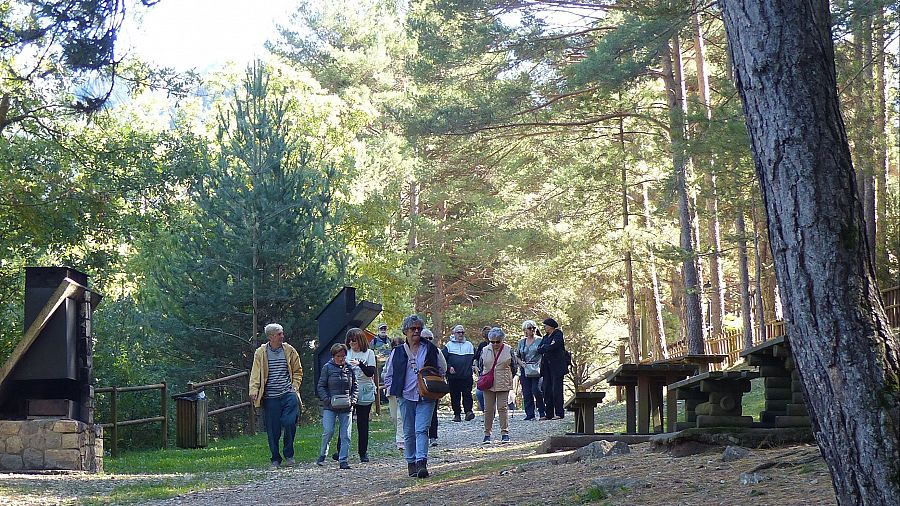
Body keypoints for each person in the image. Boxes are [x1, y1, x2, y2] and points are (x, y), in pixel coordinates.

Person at [383, 314, 446, 478]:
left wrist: (435, 383)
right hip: (405, 396)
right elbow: (388, 374)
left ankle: (421, 463)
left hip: (427, 395)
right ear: (405, 331)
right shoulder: (397, 352)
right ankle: (411, 463)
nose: (416, 331)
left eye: (419, 328)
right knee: (409, 431)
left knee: (422, 429)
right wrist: (392, 391)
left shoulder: (431, 349)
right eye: (413, 329)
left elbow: (442, 369)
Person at [249, 323, 302, 468]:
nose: (282, 336)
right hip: (270, 397)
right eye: (279, 334)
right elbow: (255, 373)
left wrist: (294, 387)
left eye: (282, 333)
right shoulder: (261, 353)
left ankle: (289, 454)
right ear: (271, 337)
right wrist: (254, 389)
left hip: (288, 394)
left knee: (290, 422)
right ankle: (275, 458)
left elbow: (298, 371)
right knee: (273, 430)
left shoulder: (289, 350)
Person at [316, 343, 358, 470]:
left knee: (346, 434)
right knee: (328, 431)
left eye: (343, 356)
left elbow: (355, 386)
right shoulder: (327, 368)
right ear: (334, 356)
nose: (341, 358)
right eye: (339, 356)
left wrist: (353, 400)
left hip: (346, 406)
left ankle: (343, 460)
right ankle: (323, 454)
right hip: (330, 406)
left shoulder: (350, 369)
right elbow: (321, 386)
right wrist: (327, 400)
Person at [478, 327, 521, 444]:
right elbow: (481, 366)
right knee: (488, 409)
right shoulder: (484, 350)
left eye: (498, 341)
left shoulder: (509, 350)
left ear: (502, 340)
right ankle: (487, 434)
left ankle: (505, 433)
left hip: (503, 382)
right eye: (492, 341)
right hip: (488, 383)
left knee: (503, 408)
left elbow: (514, 366)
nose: (495, 344)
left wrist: (509, 378)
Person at [346, 328, 377, 462]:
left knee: (362, 423)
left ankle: (363, 452)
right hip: (349, 390)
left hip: (364, 390)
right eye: (350, 340)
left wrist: (360, 364)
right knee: (345, 421)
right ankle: (341, 450)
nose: (352, 342)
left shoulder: (368, 353)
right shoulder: (346, 353)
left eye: (355, 340)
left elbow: (370, 372)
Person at [442, 324, 476, 422]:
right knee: (455, 395)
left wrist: (474, 365)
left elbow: (475, 358)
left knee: (467, 394)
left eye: (462, 332)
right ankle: (457, 414)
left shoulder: (469, 345)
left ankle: (468, 412)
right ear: (454, 333)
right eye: (459, 332)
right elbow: (443, 359)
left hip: (466, 375)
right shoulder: (448, 345)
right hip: (453, 376)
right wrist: (448, 368)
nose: (461, 334)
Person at [421, 328, 448, 447]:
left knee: (432, 411)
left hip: (432, 385)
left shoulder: (436, 351)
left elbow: (443, 367)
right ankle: (421, 436)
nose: (427, 340)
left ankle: (433, 436)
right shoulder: (414, 351)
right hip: (417, 385)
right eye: (425, 338)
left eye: (429, 338)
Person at [537, 318, 567, 420]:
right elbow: (540, 348)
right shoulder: (545, 337)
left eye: (545, 325)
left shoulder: (558, 334)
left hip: (557, 367)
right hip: (546, 367)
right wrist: (546, 347)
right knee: (547, 389)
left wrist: (546, 347)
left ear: (550, 326)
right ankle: (549, 413)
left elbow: (554, 346)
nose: (544, 327)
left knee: (557, 389)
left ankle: (559, 412)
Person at [516, 320, 545, 421]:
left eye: (534, 328)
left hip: (537, 369)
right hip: (525, 369)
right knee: (527, 392)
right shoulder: (521, 342)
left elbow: (544, 354)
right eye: (529, 328)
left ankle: (542, 412)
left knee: (536, 390)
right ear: (525, 330)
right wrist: (521, 363)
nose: (532, 330)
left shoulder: (540, 340)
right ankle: (530, 414)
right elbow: (517, 356)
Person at [384, 336, 406, 451]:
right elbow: (386, 372)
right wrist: (389, 386)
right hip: (392, 390)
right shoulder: (391, 357)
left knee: (400, 415)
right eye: (395, 345)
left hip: (402, 390)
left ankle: (401, 439)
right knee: (394, 416)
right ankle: (400, 434)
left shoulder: (405, 354)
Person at [472, 326, 491, 412]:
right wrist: (475, 366)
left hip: (495, 373)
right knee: (479, 393)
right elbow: (475, 358)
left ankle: (492, 412)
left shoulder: (498, 344)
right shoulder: (482, 345)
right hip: (483, 374)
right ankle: (485, 411)